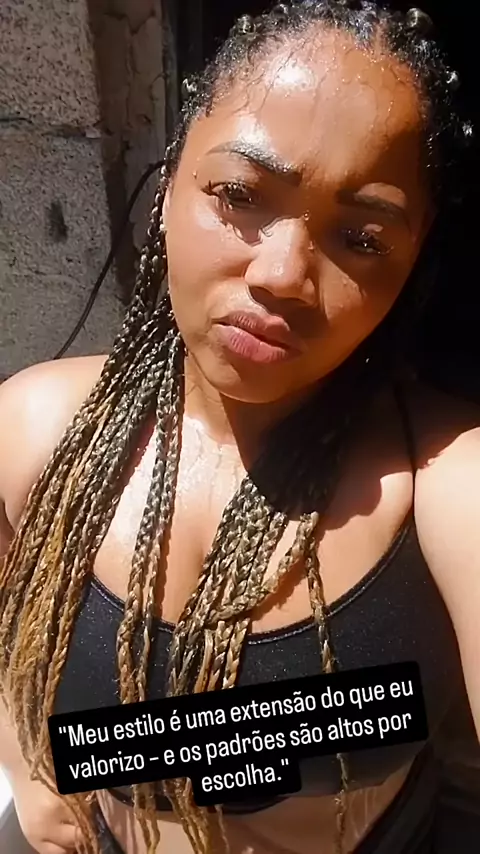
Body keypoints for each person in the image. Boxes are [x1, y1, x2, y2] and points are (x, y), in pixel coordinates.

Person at [0, 1, 479, 853]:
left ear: (414, 259)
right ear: (169, 179)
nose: (284, 274)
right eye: (241, 195)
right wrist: (30, 765)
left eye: (362, 237)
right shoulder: (35, 429)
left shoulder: (446, 481)